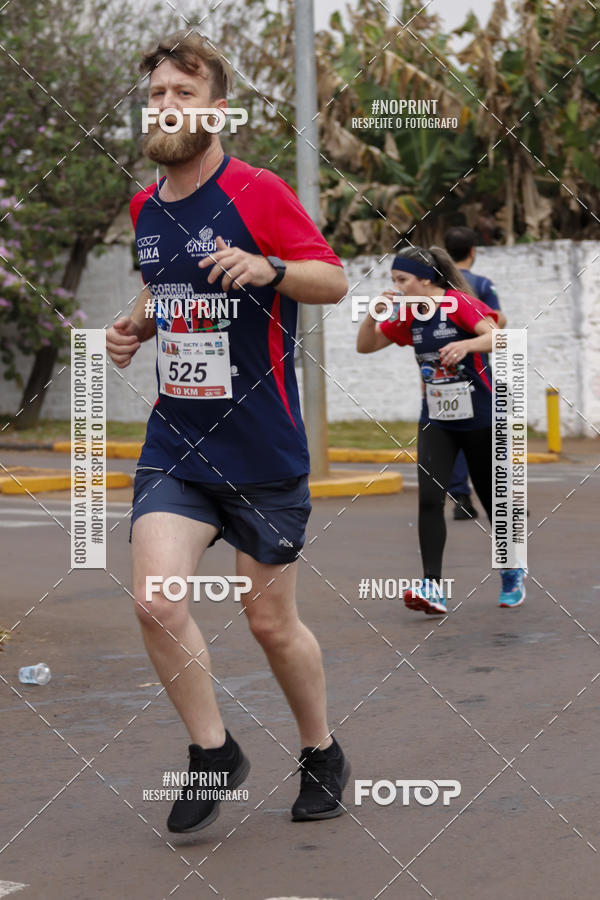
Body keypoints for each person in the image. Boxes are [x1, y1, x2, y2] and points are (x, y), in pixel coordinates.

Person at [106, 31, 350, 833]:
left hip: (262, 446)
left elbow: (334, 279)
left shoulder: (258, 191)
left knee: (269, 622)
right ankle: (214, 751)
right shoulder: (146, 206)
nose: (166, 107)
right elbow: (163, 286)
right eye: (156, 96)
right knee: (154, 601)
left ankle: (321, 750)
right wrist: (135, 325)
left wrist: (269, 269)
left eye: (183, 93)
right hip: (179, 440)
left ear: (217, 107)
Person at [356, 246, 526, 614]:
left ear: (426, 279)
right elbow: (365, 346)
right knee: (430, 501)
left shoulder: (458, 303)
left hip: (481, 417)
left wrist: (466, 344)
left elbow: (499, 337)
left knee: (493, 501)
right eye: (394, 282)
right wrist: (372, 316)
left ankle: (512, 569)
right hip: (436, 418)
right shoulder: (408, 315)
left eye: (402, 280)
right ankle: (433, 586)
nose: (397, 288)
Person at [444, 227, 507, 522]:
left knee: (453, 431)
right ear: (473, 251)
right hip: (477, 371)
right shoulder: (481, 284)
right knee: (491, 432)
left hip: (444, 372)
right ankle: (501, 498)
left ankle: (461, 497)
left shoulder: (440, 286)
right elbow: (497, 321)